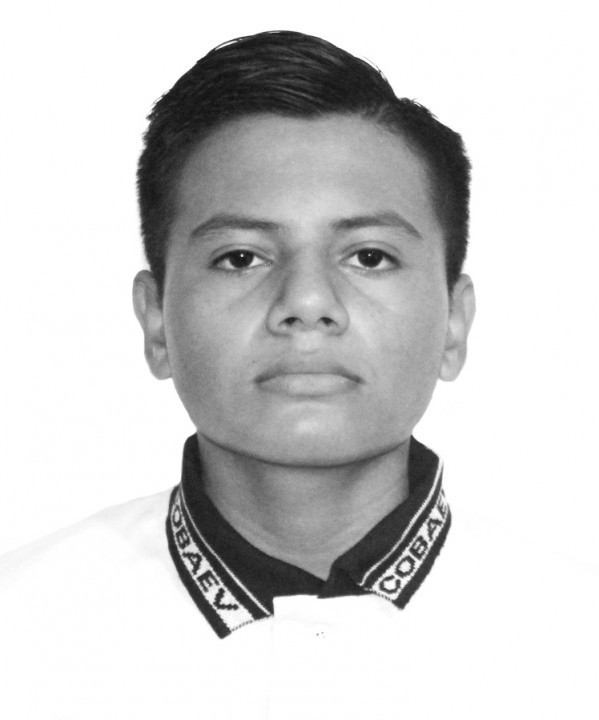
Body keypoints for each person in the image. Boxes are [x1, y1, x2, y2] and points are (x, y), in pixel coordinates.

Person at [0, 30, 596, 720]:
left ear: (454, 323)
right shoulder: (23, 635)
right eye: (241, 258)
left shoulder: (574, 641)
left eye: (368, 257)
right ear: (157, 321)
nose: (307, 303)